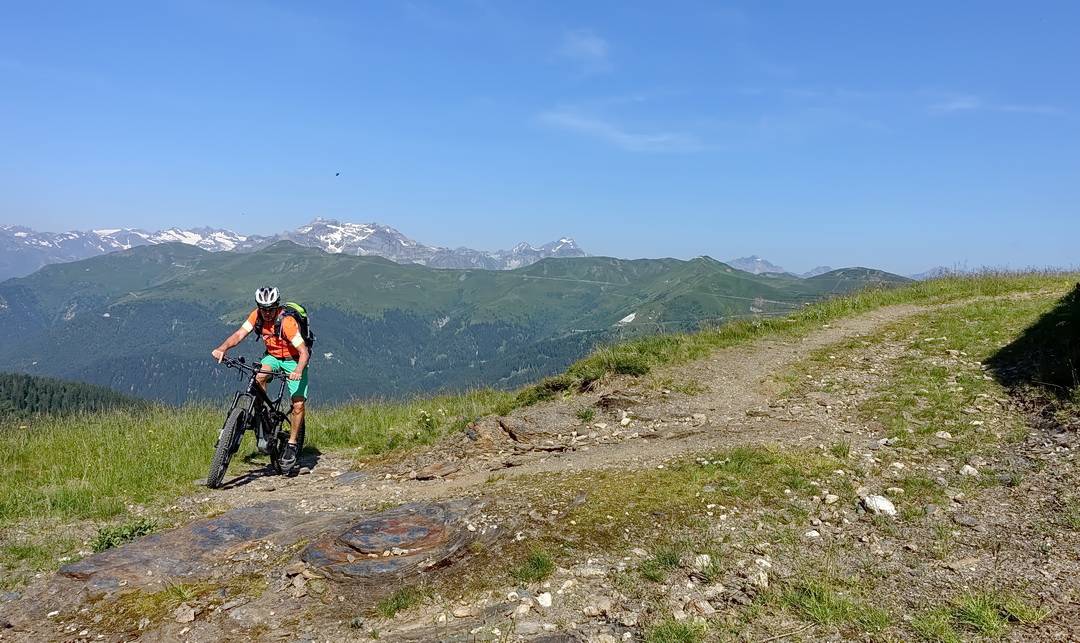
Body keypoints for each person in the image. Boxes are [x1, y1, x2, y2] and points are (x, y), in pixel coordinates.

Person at [211, 286, 309, 472]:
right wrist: (222, 348)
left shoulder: (287, 322)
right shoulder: (257, 316)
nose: (267, 312)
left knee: (298, 404)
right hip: (272, 357)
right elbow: (239, 334)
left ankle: (292, 443)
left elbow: (303, 352)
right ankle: (261, 414)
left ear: (277, 306)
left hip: (293, 359)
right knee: (258, 377)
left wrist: (298, 369)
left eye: (271, 308)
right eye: (263, 308)